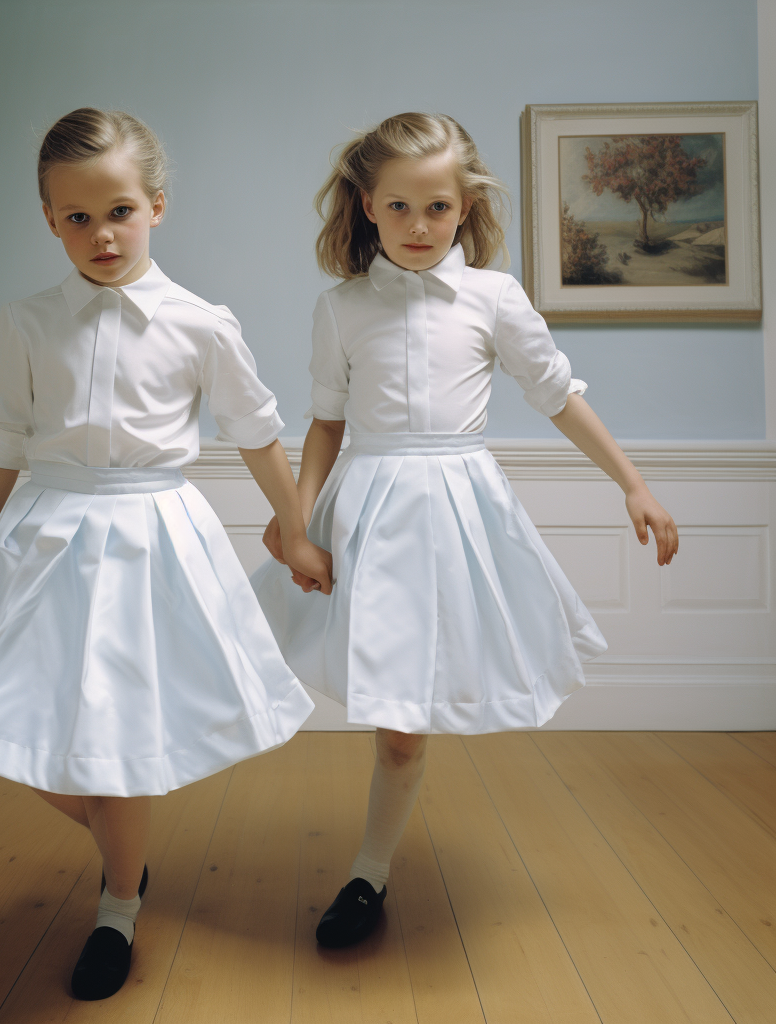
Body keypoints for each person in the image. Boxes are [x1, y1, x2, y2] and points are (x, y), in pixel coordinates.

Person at [0, 107, 331, 1000]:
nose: (101, 234)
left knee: (117, 735)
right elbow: (4, 444)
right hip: (46, 544)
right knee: (10, 729)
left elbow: (257, 433)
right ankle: (119, 846)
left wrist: (296, 530)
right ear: (49, 219)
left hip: (155, 544)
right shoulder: (26, 322)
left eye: (119, 211)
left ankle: (117, 906)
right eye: (77, 217)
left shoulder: (202, 323)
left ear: (157, 206)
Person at [251, 111, 678, 949]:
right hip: (368, 514)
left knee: (408, 721)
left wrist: (634, 485)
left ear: (464, 207)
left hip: (457, 516)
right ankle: (364, 874)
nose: (419, 227)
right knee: (390, 713)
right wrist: (296, 522)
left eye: (437, 208)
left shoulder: (494, 298)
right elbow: (327, 424)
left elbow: (557, 394)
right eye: (400, 207)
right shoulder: (340, 308)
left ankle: (367, 872)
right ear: (368, 205)